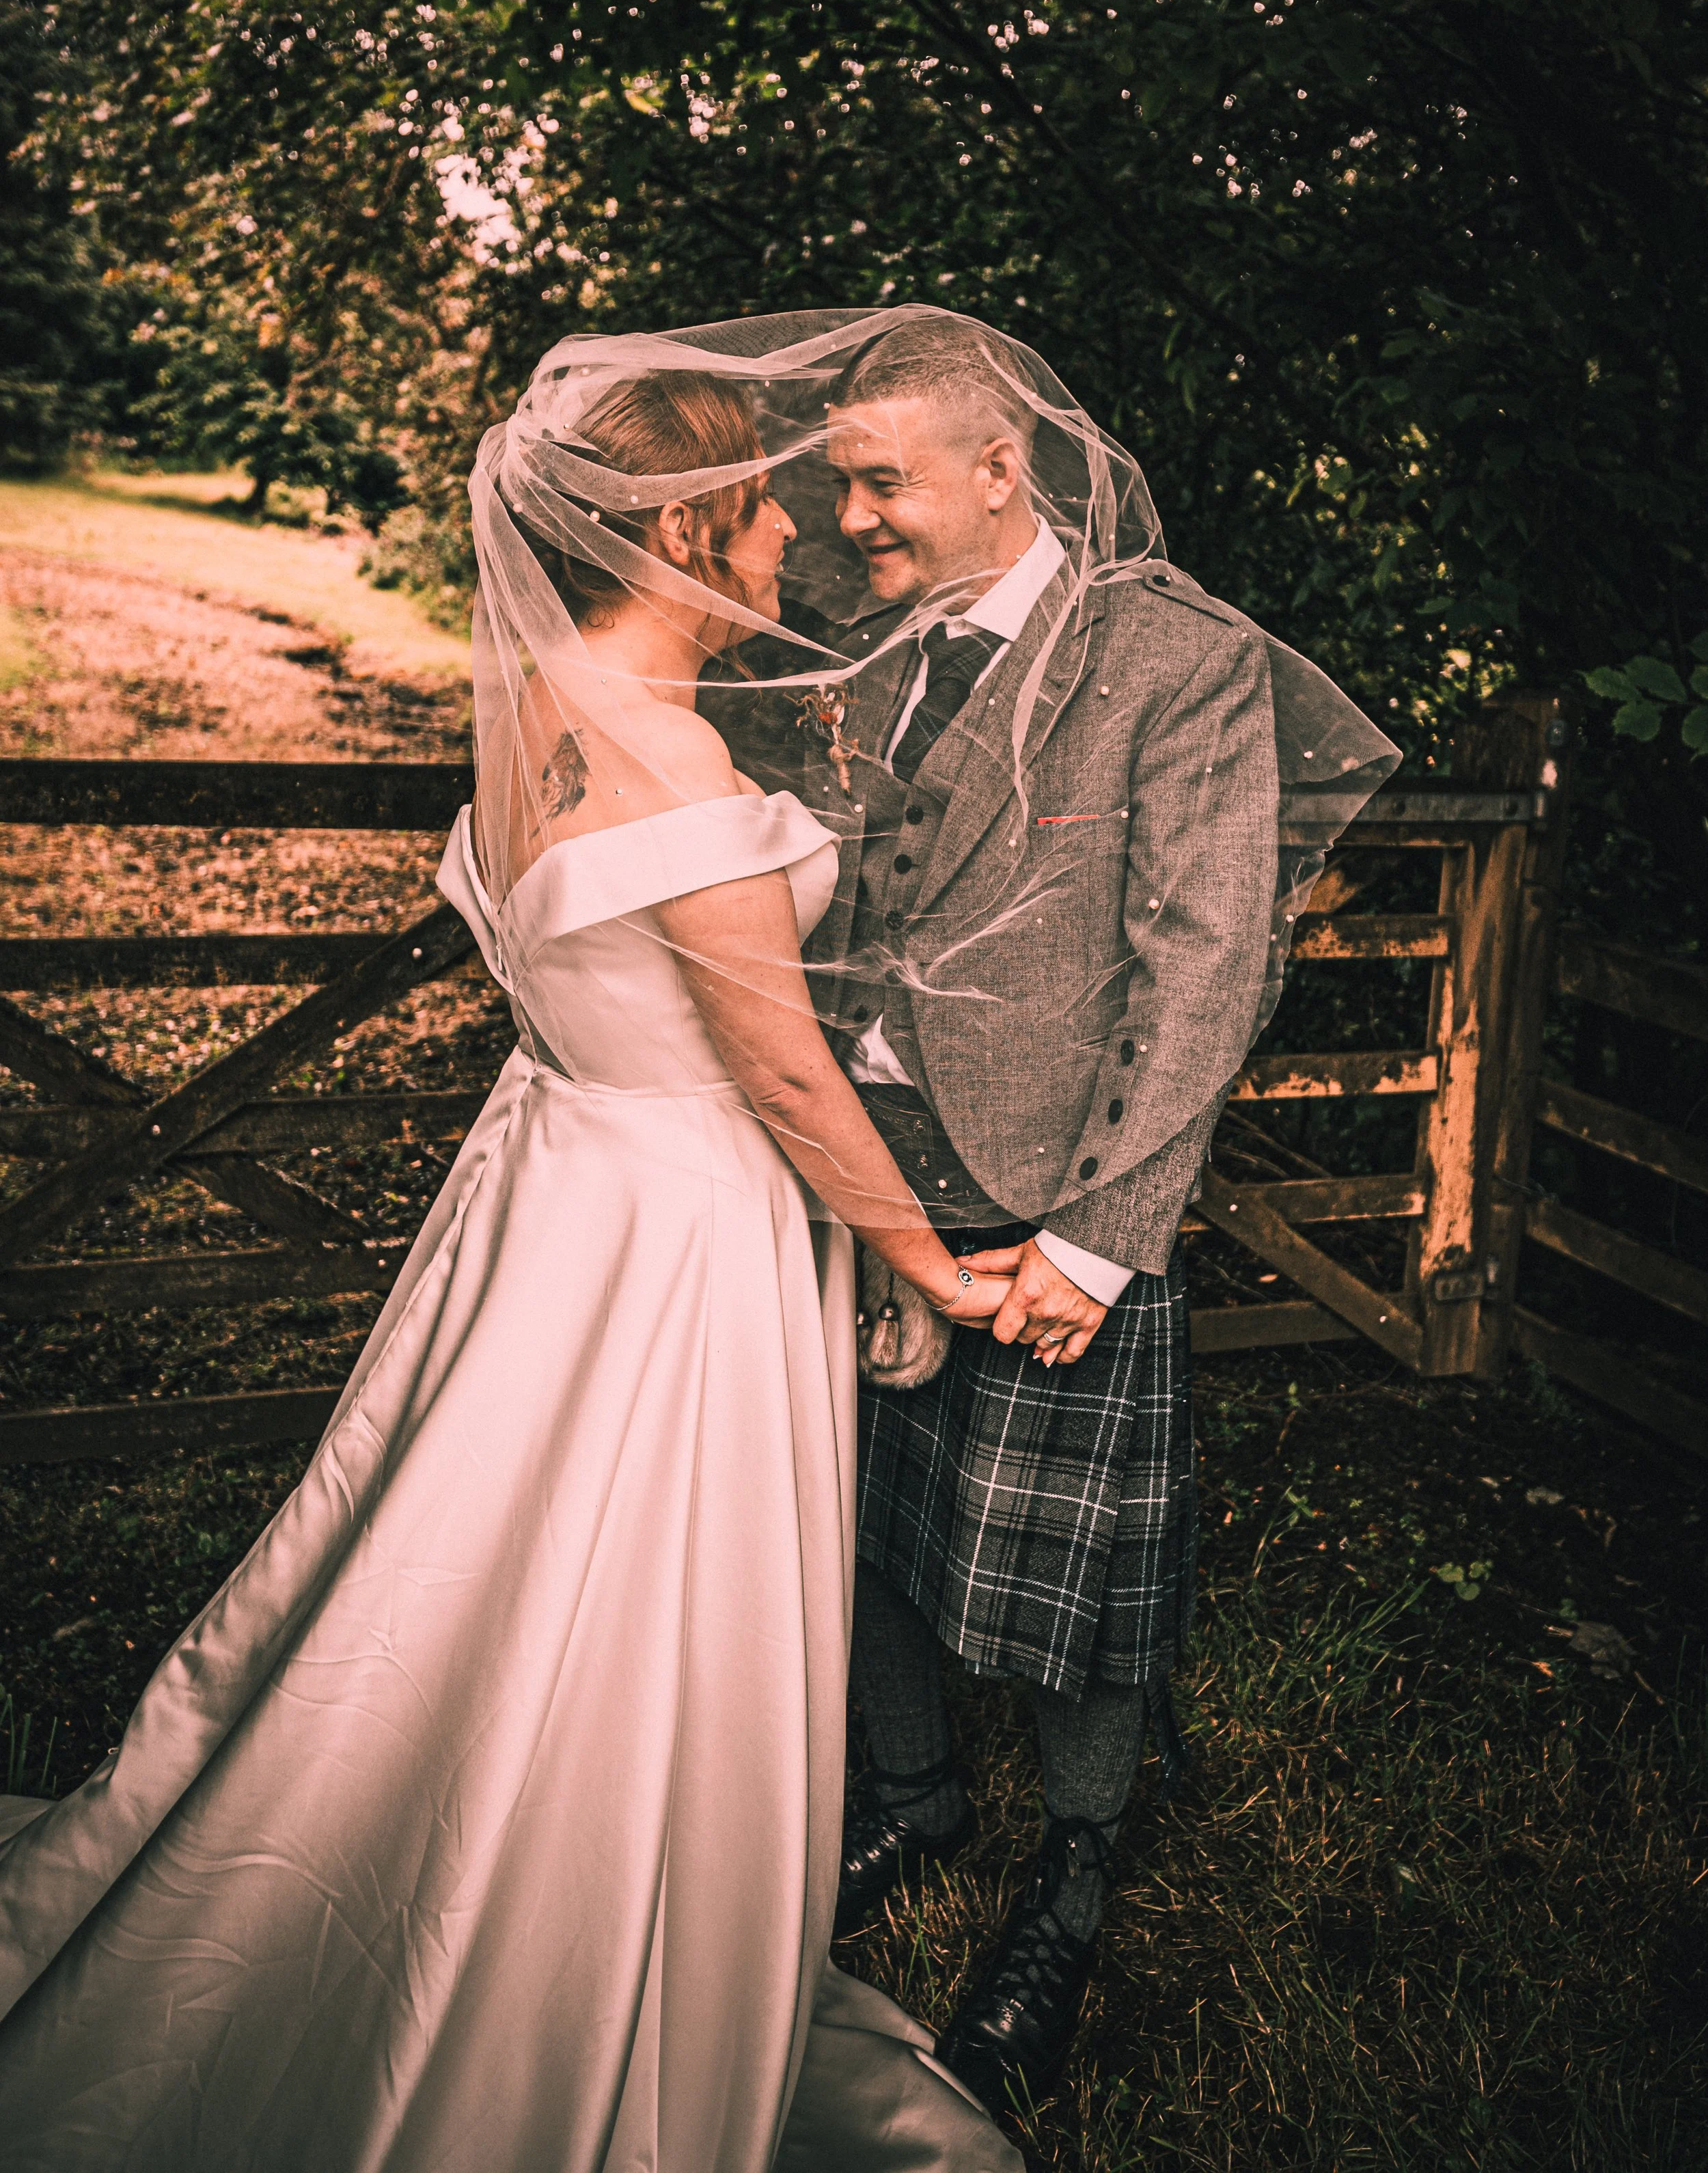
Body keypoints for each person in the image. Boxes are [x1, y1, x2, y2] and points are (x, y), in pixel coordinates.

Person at [0, 366, 1026, 2173]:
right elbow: (779, 1067)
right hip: (670, 1226)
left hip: (556, 1188)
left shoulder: (542, 711)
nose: (797, 527)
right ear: (698, 525)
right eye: (771, 501)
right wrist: (925, 1265)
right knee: (630, 1580)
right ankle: (564, 1951)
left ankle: (474, 1865)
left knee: (483, 1560)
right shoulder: (673, 752)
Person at [788, 314, 1397, 2120]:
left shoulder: (1175, 658)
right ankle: (911, 1797)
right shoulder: (858, 648)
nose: (851, 512)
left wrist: (1100, 1234)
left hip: (1058, 1198)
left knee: (1075, 1571)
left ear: (1004, 467)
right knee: (858, 1515)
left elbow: (1207, 961)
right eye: (838, 478)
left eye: (877, 475)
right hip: (858, 1176)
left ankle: (1067, 1863)